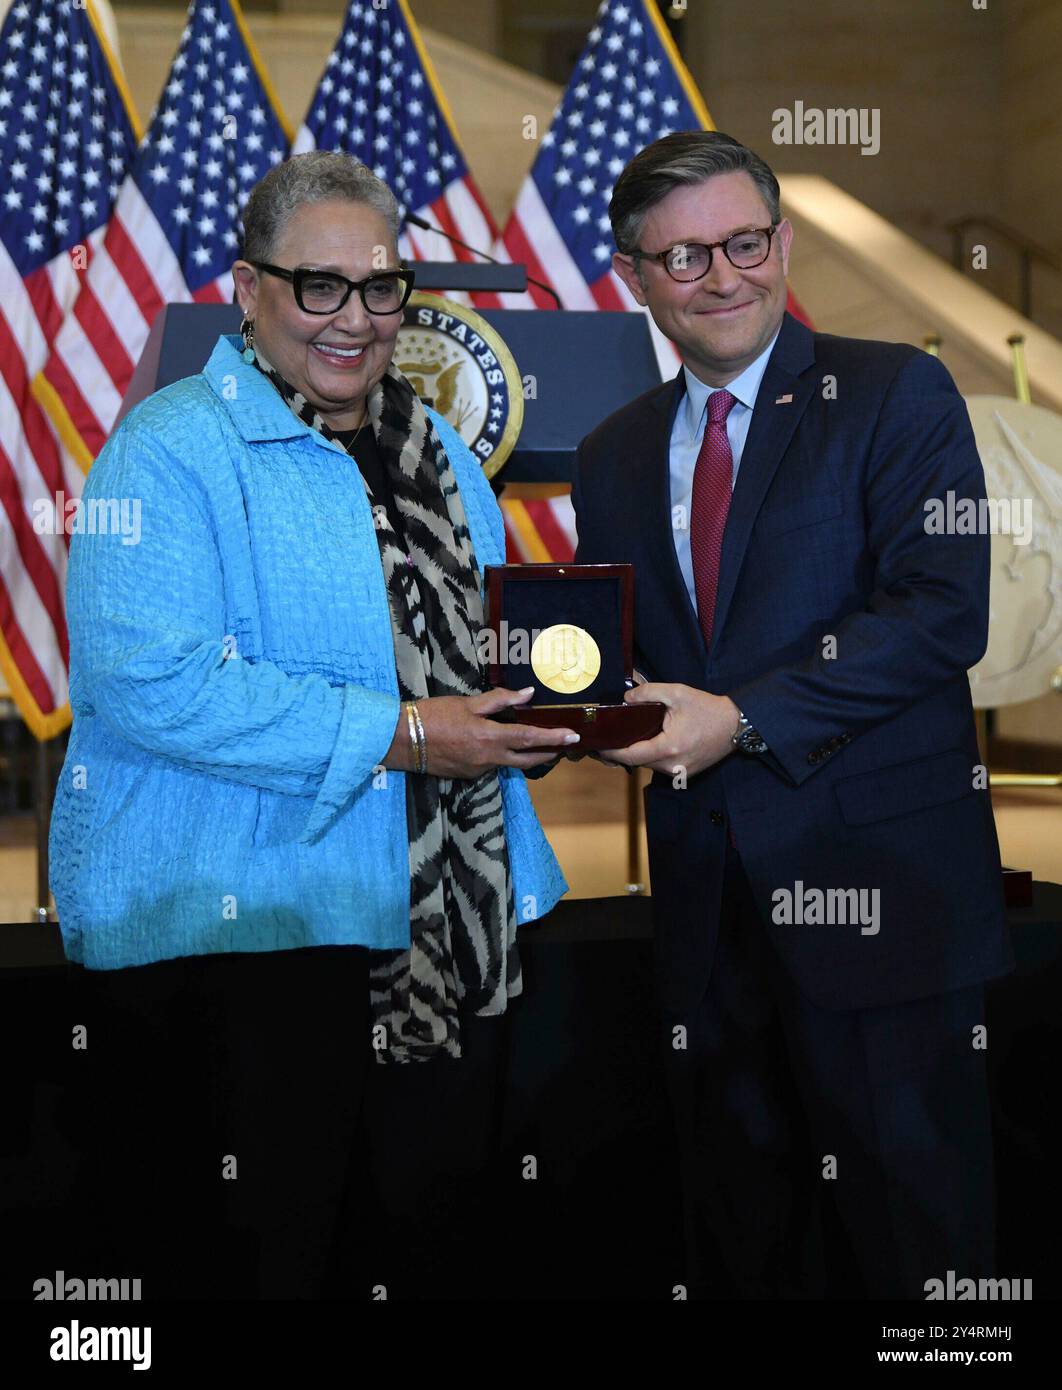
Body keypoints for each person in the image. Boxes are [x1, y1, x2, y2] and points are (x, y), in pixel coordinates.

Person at [49, 150, 576, 1298]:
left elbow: (489, 636)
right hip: (245, 937)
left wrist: (572, 693)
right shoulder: (169, 447)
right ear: (248, 290)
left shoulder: (434, 448)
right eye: (317, 285)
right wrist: (410, 734)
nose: (354, 318)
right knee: (260, 1261)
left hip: (442, 927)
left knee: (421, 1252)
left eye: (380, 287)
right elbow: (152, 681)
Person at [571, 130, 1014, 1299]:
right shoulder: (612, 456)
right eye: (682, 257)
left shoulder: (895, 392)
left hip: (882, 900)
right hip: (707, 921)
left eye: (743, 242)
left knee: (919, 1249)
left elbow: (939, 612)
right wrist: (573, 706)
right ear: (633, 277)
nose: (720, 276)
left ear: (782, 240)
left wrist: (739, 719)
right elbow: (623, 664)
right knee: (742, 1241)